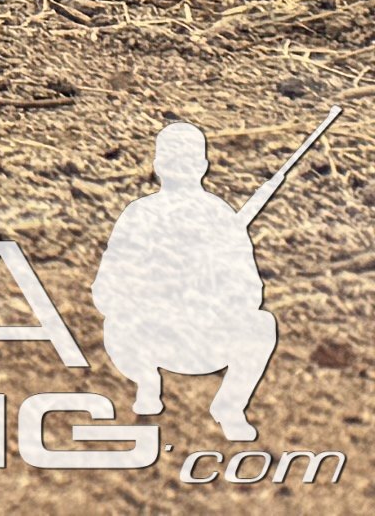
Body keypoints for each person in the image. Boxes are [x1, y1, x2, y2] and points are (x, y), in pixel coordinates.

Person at [95, 119, 282, 441]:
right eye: (174, 162)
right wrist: (155, 293)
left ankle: (229, 406)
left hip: (205, 339)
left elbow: (251, 292)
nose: (180, 169)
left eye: (185, 162)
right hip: (149, 338)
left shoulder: (221, 217)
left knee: (262, 324)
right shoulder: (139, 214)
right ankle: (147, 383)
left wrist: (209, 294)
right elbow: (105, 290)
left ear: (201, 166)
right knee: (115, 322)